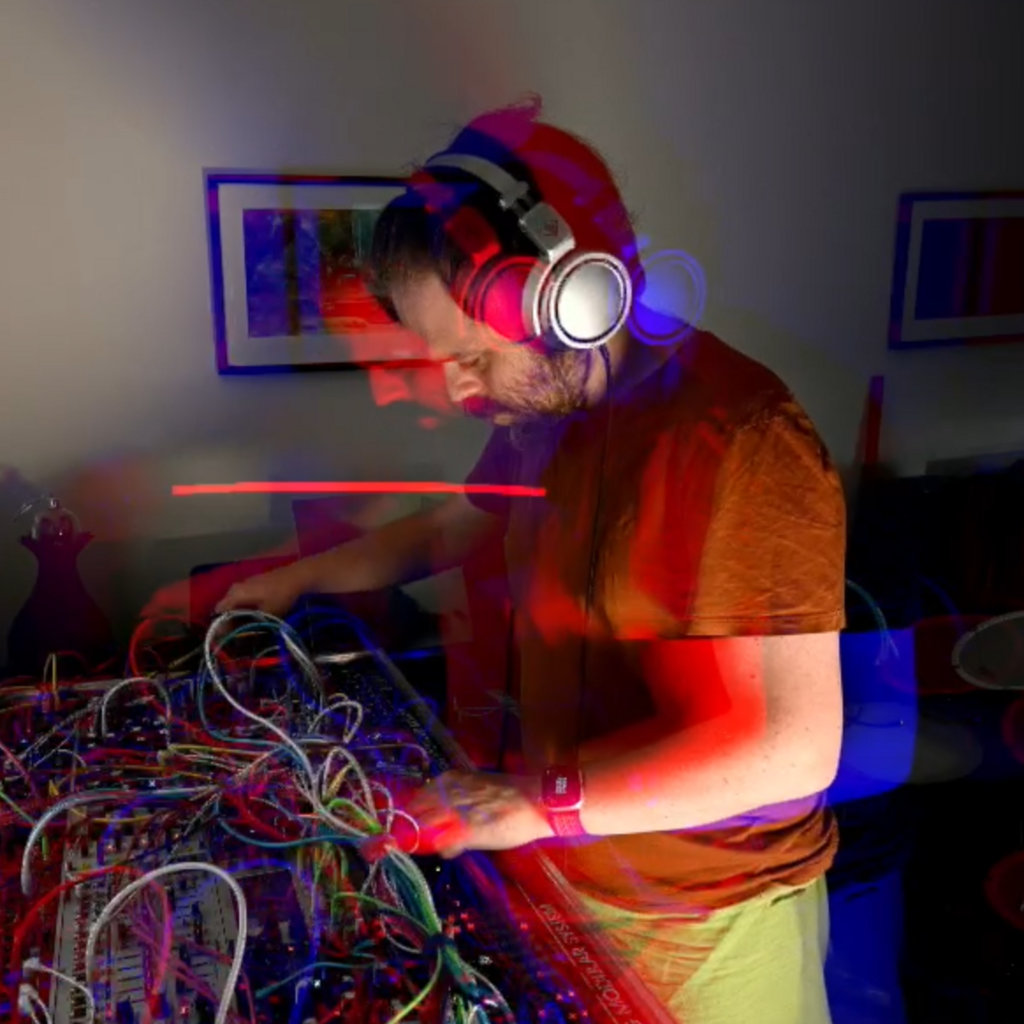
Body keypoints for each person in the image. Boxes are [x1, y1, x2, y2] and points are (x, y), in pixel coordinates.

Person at [215, 96, 846, 1023]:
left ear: (575, 302)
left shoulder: (743, 442)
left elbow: (792, 751)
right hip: (563, 871)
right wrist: (291, 579)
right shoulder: (545, 410)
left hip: (705, 923)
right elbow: (456, 529)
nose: (454, 388)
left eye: (473, 357)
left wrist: (531, 804)